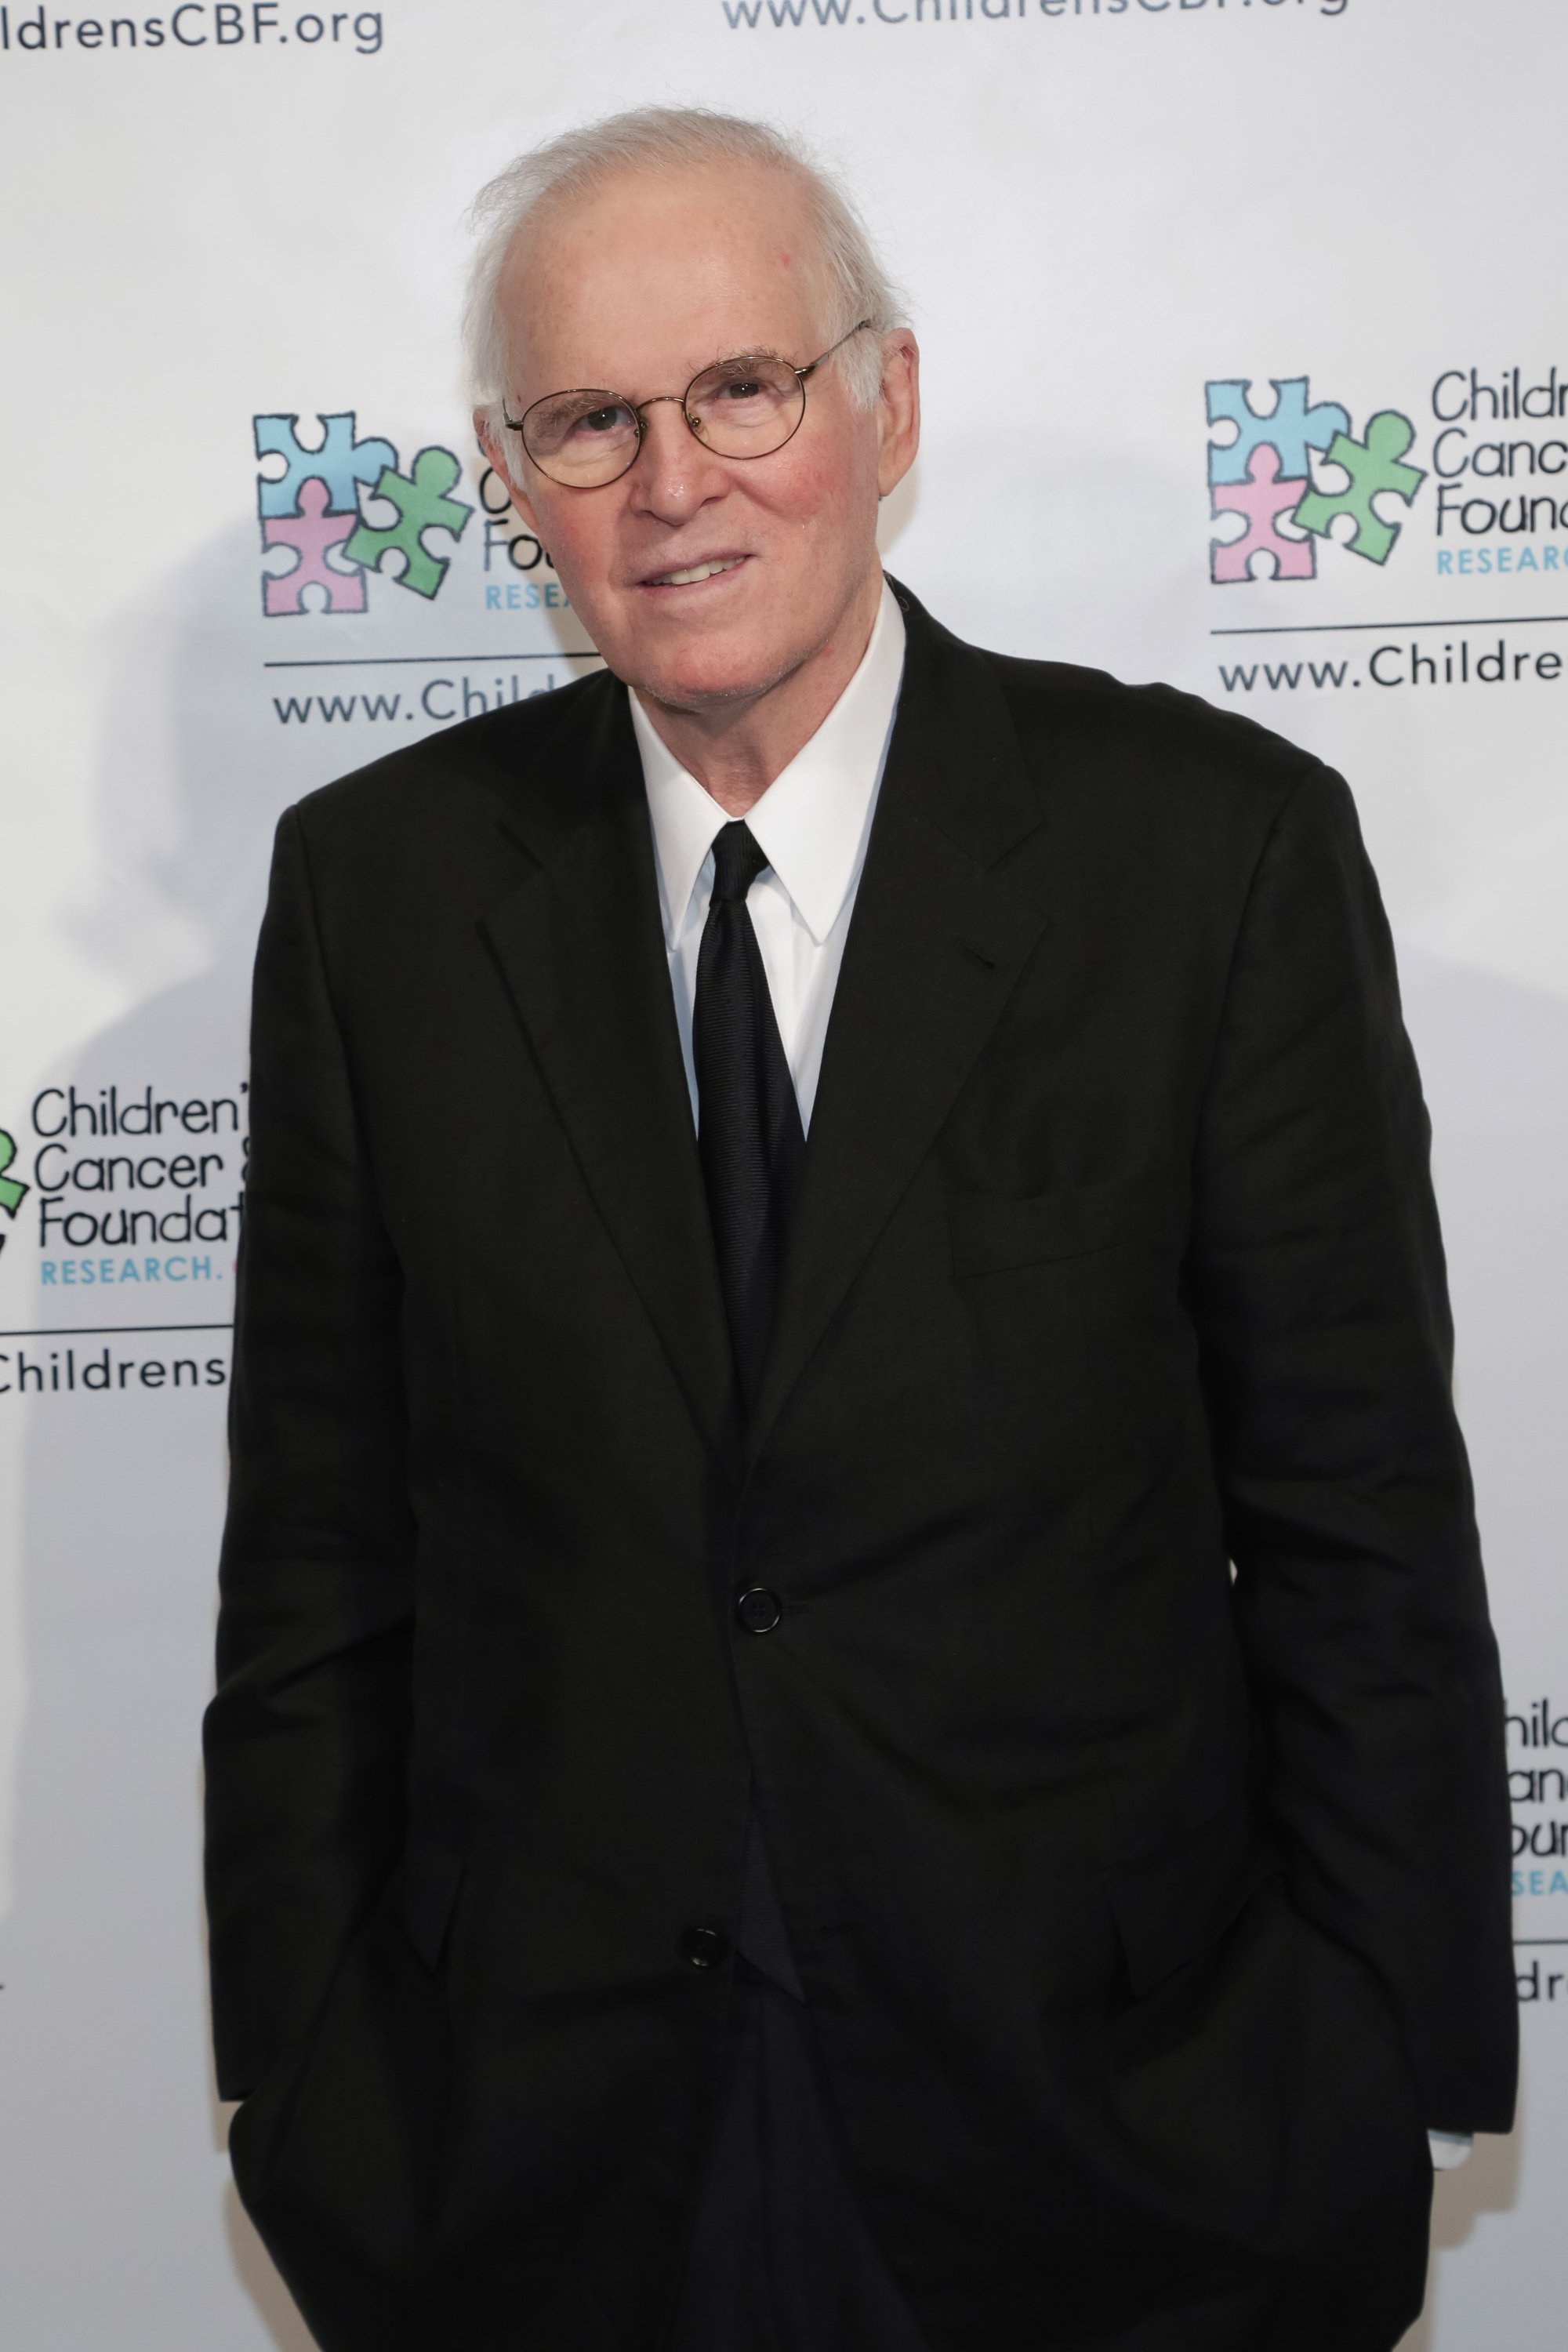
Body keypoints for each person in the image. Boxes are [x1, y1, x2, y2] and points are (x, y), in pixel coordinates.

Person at [203, 106, 1516, 2352]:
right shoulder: (379, 894)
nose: (674, 480)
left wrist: (1382, 2070)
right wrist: (293, 2085)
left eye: (742, 387)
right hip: (537, 2169)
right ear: (508, 478)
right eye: (589, 420)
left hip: (1120, 2143)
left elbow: (1361, 1528)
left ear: (884, 402)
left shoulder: (1212, 859)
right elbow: (321, 1558)